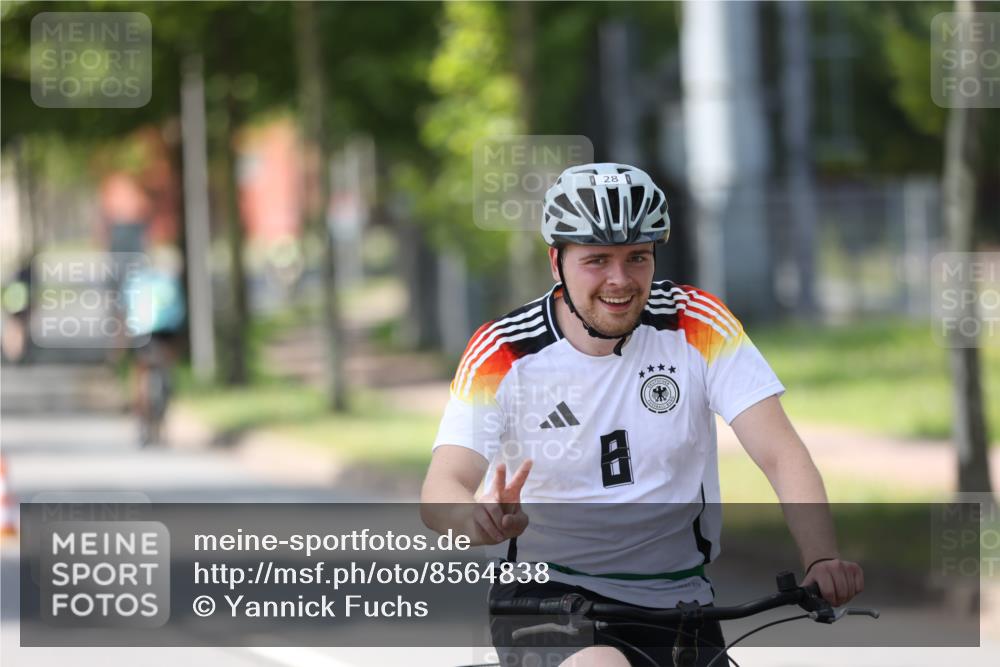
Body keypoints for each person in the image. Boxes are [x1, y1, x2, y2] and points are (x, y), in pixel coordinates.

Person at [421, 163, 863, 667]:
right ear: (556, 262)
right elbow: (440, 491)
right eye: (597, 260)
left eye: (637, 257)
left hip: (680, 603)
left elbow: (781, 453)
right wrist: (477, 520)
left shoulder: (695, 323)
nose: (621, 280)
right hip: (546, 603)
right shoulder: (504, 350)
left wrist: (822, 557)